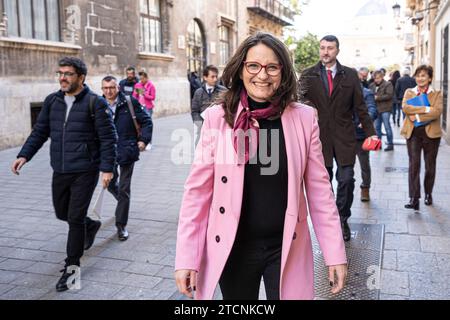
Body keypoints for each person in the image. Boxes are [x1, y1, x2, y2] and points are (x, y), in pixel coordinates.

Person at [175, 32, 347, 300]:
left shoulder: (304, 118)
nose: (262, 75)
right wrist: (187, 257)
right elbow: (197, 193)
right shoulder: (217, 119)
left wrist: (335, 252)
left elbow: (320, 191)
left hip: (286, 246)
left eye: (272, 67)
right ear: (241, 69)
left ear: (283, 72)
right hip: (234, 248)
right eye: (253, 66)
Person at [11, 57, 117, 292]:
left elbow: (109, 138)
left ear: (81, 77)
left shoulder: (95, 103)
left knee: (74, 219)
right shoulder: (52, 101)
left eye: (68, 73)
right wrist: (24, 155)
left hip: (85, 170)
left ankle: (72, 268)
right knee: (63, 213)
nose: (63, 77)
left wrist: (107, 168)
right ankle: (90, 225)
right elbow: (40, 131)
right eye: (60, 73)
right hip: (60, 168)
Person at [300, 35, 378, 242]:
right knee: (323, 184)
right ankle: (328, 222)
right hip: (319, 138)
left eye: (330, 48)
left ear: (337, 50)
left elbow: (360, 107)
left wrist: (371, 132)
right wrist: (309, 108)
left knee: (346, 180)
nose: (325, 52)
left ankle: (342, 218)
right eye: (323, 48)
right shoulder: (308, 75)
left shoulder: (350, 75)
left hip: (345, 137)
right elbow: (297, 102)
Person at [101, 76, 153, 240]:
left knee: (124, 189)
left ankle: (121, 225)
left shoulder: (129, 102)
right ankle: (121, 201)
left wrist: (143, 140)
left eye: (112, 87)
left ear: (118, 87)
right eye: (105, 88)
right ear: (102, 89)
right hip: (107, 152)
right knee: (110, 185)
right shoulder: (98, 105)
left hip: (127, 150)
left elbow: (147, 121)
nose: (109, 91)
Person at [401, 65, 443, 210]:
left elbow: (437, 112)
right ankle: (414, 198)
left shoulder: (436, 93)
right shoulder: (409, 92)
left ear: (430, 78)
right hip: (413, 133)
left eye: (423, 75)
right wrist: (426, 109)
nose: (420, 78)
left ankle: (428, 193)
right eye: (418, 75)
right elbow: (406, 108)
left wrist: (417, 114)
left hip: (431, 135)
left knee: (430, 166)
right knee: (414, 165)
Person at [191, 65, 226, 144]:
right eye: (212, 77)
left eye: (216, 76)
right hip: (203, 129)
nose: (215, 79)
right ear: (205, 77)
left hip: (219, 129)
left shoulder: (223, 91)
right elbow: (195, 111)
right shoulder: (198, 92)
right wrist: (200, 124)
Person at [354, 85, 378, 202]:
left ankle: (365, 188)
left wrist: (365, 121)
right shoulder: (342, 90)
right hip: (344, 135)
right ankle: (345, 189)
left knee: (364, 164)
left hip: (360, 135)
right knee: (344, 167)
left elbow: (372, 109)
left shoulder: (366, 93)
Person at [370, 70, 395, 151]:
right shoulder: (372, 85)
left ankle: (390, 144)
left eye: (378, 78)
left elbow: (389, 95)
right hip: (376, 109)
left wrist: (378, 97)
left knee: (387, 127)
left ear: (382, 77)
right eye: (375, 78)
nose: (376, 80)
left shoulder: (388, 84)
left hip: (385, 109)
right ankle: (378, 144)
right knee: (377, 128)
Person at [133, 71, 156, 150]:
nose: (141, 80)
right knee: (138, 125)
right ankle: (140, 142)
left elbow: (153, 97)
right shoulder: (137, 85)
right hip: (139, 107)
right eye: (140, 79)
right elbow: (134, 96)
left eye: (142, 78)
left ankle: (149, 142)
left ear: (146, 78)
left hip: (148, 107)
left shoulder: (151, 86)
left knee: (148, 125)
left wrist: (144, 93)